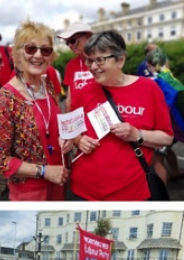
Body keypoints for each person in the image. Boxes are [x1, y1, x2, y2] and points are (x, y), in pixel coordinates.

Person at [69, 30, 173, 200]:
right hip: (85, 189)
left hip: (131, 191)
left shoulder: (149, 89)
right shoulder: (84, 91)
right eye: (89, 60)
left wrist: (136, 134)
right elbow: (71, 129)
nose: (93, 67)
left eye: (100, 60)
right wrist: (79, 140)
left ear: (120, 59)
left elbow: (167, 137)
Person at [0, 21, 68, 201]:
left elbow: (50, 125)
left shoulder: (47, 85)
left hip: (58, 183)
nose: (38, 55)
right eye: (31, 49)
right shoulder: (6, 98)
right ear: (17, 53)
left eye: (45, 50)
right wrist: (43, 170)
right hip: (29, 192)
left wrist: (65, 137)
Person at [57, 21, 94, 109]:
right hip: (78, 118)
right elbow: (69, 99)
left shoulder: (102, 60)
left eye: (73, 41)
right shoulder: (71, 65)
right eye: (67, 42)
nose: (70, 45)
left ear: (88, 37)